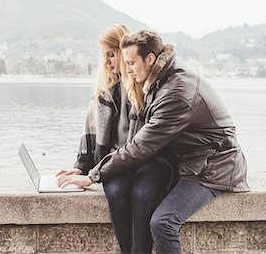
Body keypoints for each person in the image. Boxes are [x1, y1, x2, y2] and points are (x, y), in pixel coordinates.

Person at [58, 30, 250, 253]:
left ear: (149, 59)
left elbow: (142, 146)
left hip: (213, 170)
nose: (126, 69)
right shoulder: (160, 79)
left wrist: (94, 175)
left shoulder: (176, 93)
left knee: (163, 223)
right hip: (193, 164)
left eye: (130, 62)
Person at [56, 25, 175, 253]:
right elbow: (91, 136)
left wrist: (94, 175)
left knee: (142, 193)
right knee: (118, 192)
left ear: (125, 52)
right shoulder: (105, 90)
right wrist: (82, 169)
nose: (106, 62)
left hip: (150, 160)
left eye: (111, 54)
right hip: (114, 161)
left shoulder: (146, 86)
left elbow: (146, 144)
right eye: (103, 55)